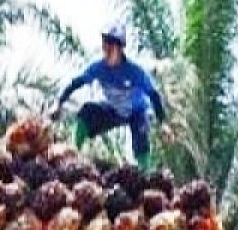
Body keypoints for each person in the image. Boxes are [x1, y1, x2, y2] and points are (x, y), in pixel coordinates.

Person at [51, 22, 168, 170]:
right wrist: (59, 103)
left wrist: (163, 123)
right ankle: (74, 154)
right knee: (88, 110)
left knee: (141, 134)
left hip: (135, 113)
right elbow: (76, 83)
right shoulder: (99, 68)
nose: (105, 50)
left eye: (109, 47)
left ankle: (146, 173)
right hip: (113, 110)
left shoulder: (135, 71)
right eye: (104, 45)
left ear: (119, 48)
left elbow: (154, 94)